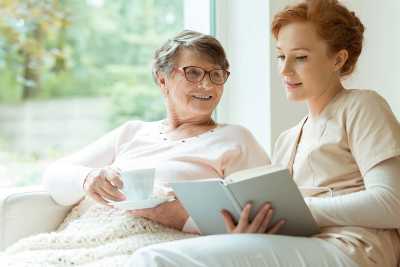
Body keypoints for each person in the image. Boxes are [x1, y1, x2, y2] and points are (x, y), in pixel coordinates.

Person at [126, 1, 400, 266]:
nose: (285, 69)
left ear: (338, 59)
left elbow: (391, 203)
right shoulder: (288, 139)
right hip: (305, 246)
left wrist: (296, 209)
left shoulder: (361, 106)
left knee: (153, 259)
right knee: (155, 254)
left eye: (301, 57)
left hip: (353, 249)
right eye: (281, 56)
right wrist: (251, 225)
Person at [0, 30, 273, 266]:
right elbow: (55, 175)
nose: (207, 84)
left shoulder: (235, 139)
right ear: (162, 79)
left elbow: (264, 212)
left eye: (216, 75)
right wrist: (88, 180)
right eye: (193, 73)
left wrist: (179, 218)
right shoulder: (133, 132)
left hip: (154, 247)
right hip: (84, 238)